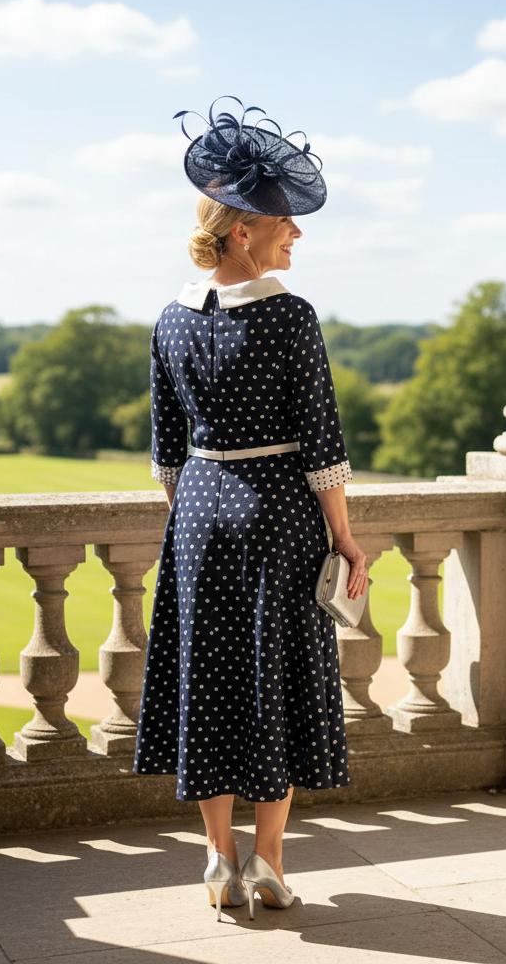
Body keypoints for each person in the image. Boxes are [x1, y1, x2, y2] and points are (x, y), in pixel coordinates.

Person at [132, 96, 369, 922]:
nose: (295, 233)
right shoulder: (291, 318)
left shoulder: (169, 321)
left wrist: (198, 516)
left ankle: (214, 858)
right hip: (278, 518)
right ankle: (268, 861)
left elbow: (167, 454)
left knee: (209, 681)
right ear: (242, 232)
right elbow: (322, 446)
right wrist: (345, 539)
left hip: (198, 517)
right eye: (283, 221)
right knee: (278, 681)